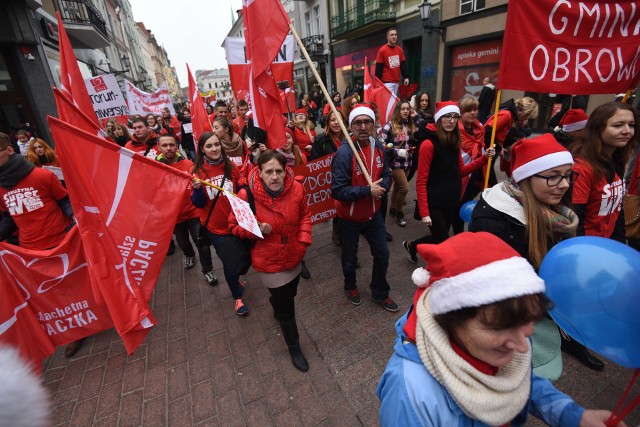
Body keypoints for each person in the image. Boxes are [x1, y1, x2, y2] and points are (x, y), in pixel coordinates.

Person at [377, 231, 624, 427]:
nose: (522, 346)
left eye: (529, 321)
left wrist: (572, 416)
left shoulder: (506, 340)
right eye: (498, 327)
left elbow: (519, 382)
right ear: (448, 319)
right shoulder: (409, 394)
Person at [470, 134, 604, 372]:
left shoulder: (555, 209)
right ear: (526, 178)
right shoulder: (493, 221)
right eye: (553, 177)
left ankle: (569, 340)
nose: (564, 184)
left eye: (567, 175)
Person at [0, 132, 83, 357]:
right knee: (52, 292)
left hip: (61, 241)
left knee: (77, 283)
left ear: (9, 150)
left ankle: (95, 314)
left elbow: (64, 200)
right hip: (30, 250)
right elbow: (8, 217)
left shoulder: (41, 176)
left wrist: (75, 218)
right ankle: (75, 332)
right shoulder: (0, 187)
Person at [229, 150, 311, 371]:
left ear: (285, 172)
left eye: (279, 171)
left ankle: (276, 302)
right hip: (267, 258)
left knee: (289, 292)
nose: (274, 176)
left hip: (294, 253)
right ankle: (294, 346)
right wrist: (255, 229)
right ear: (259, 172)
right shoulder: (246, 196)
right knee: (287, 307)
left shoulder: (297, 188)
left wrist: (303, 242)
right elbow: (233, 226)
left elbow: (304, 215)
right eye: (269, 171)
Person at [403, 101, 495, 263]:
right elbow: (421, 180)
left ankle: (412, 245)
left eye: (454, 117)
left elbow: (461, 171)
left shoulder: (454, 141)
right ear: (439, 119)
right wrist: (424, 212)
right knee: (443, 240)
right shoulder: (428, 144)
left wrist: (484, 159)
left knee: (440, 238)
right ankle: (437, 272)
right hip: (434, 202)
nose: (451, 121)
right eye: (447, 116)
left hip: (451, 200)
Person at [331, 105, 399, 312]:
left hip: (372, 215)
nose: (362, 126)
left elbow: (387, 174)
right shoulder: (344, 153)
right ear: (350, 126)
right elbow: (338, 191)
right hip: (348, 219)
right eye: (357, 123)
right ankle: (350, 286)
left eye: (366, 122)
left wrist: (384, 187)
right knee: (350, 259)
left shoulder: (378, 146)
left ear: (372, 124)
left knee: (383, 255)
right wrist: (366, 191)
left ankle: (379, 292)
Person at [191, 132, 248, 315]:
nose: (214, 149)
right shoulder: (197, 172)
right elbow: (198, 204)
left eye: (217, 144)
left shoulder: (229, 165)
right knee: (230, 263)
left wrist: (243, 191)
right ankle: (237, 297)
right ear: (202, 149)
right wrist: (197, 190)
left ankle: (236, 280)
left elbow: (239, 188)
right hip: (216, 230)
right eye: (209, 146)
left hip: (236, 224)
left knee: (241, 256)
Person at [571, 102, 634, 242]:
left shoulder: (617, 160)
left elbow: (617, 211)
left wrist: (619, 245)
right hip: (586, 248)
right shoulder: (582, 167)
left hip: (607, 245)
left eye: (631, 125)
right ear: (598, 129)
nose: (627, 131)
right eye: (618, 125)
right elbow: (575, 219)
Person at [156, 135, 216, 281]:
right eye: (165, 145)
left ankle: (207, 270)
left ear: (177, 147)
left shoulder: (188, 164)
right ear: (159, 147)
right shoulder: (156, 168)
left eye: (171, 144)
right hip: (174, 216)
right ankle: (189, 255)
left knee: (201, 242)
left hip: (193, 212)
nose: (168, 148)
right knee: (183, 243)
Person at [379, 101, 419, 227]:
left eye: (408, 109)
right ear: (398, 110)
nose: (406, 111)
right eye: (403, 109)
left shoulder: (410, 124)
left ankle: (392, 208)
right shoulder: (389, 126)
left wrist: (417, 117)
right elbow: (381, 145)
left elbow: (423, 129)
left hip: (407, 162)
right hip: (394, 162)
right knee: (404, 188)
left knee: (398, 187)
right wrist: (397, 151)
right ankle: (399, 212)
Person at [310, 109, 347, 245]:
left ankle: (342, 230)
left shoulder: (349, 138)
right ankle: (337, 232)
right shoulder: (321, 140)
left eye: (339, 119)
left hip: (347, 179)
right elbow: (315, 163)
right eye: (333, 120)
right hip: (330, 181)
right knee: (336, 208)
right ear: (328, 122)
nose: (336, 123)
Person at [451, 95, 486, 234]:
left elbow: (481, 150)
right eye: (468, 110)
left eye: (475, 109)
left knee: (468, 204)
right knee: (457, 208)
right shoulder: (454, 131)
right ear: (461, 113)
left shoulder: (480, 129)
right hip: (459, 175)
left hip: (475, 173)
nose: (473, 113)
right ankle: (457, 236)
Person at [484, 97, 539, 180]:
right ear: (524, 111)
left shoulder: (509, 115)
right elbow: (488, 130)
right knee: (486, 180)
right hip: (487, 150)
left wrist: (500, 147)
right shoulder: (507, 115)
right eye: (527, 116)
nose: (525, 120)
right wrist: (498, 147)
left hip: (491, 149)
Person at [375, 27, 409, 96]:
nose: (394, 37)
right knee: (390, 104)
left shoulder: (400, 50)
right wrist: (378, 83)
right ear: (387, 37)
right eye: (392, 35)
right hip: (387, 83)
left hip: (396, 82)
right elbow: (379, 68)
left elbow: (403, 65)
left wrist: (406, 77)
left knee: (393, 104)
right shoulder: (382, 50)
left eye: (395, 35)